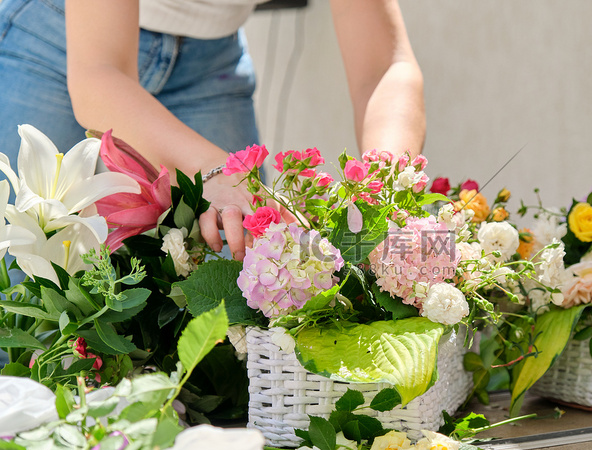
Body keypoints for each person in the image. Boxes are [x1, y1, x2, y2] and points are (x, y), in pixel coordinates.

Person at [0, 0, 425, 260]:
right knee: (26, 303)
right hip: (58, 42)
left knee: (234, 307)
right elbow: (98, 75)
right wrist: (217, 169)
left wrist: (383, 192)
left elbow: (383, 67)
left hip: (210, 59)